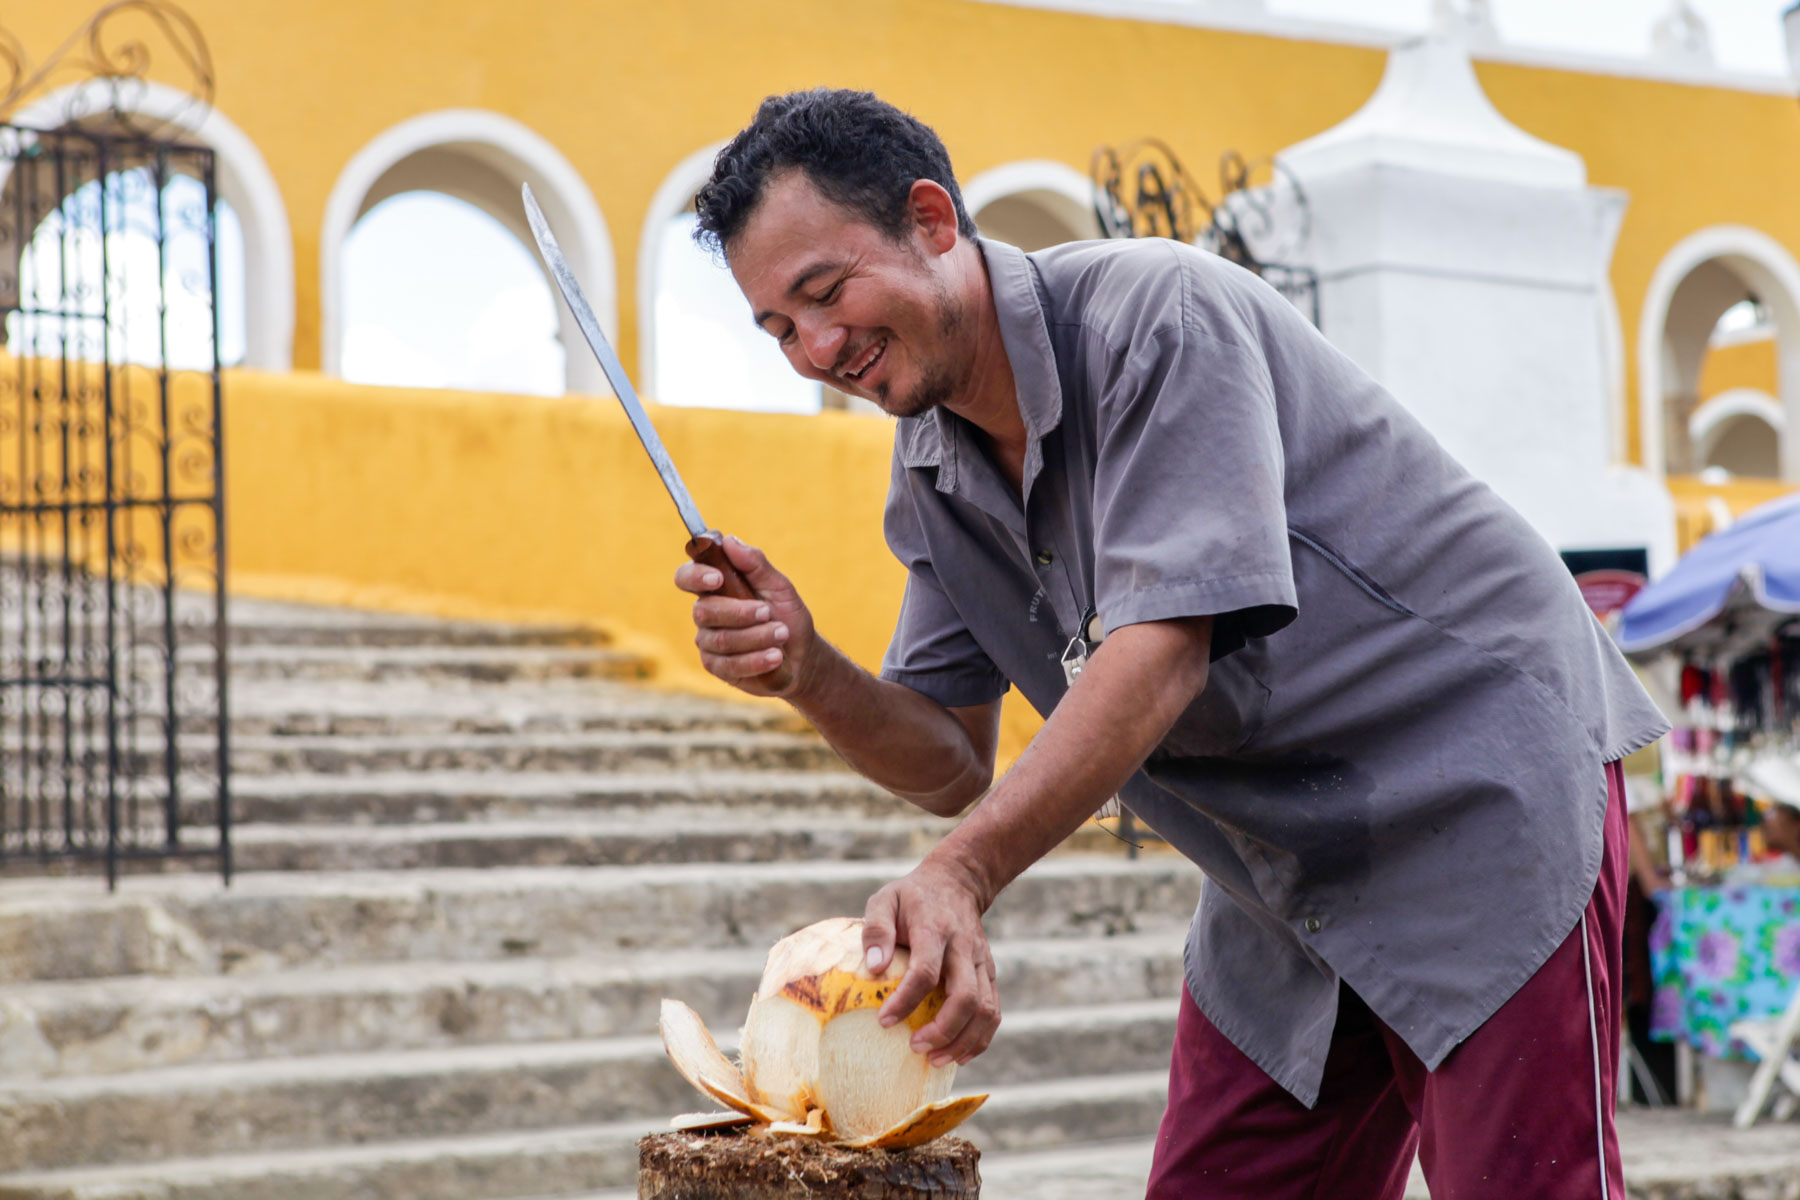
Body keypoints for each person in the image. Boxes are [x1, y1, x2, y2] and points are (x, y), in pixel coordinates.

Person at [672, 88, 1670, 1198]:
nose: (816, 349)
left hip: (1476, 791)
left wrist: (961, 874)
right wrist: (809, 670)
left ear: (932, 221)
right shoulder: (932, 467)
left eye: (826, 293)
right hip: (1276, 870)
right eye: (779, 329)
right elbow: (948, 759)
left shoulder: (1156, 316)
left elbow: (1163, 650)